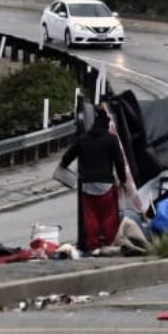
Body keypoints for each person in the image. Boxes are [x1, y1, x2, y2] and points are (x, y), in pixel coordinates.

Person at [59, 108, 126, 252]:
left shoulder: (83, 139)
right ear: (106, 125)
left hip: (87, 185)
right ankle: (109, 245)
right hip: (106, 185)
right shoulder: (111, 139)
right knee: (109, 217)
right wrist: (123, 180)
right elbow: (119, 162)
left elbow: (66, 158)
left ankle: (94, 246)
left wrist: (65, 169)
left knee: (91, 217)